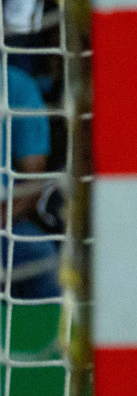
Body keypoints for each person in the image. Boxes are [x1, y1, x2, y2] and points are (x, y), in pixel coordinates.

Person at [0, 63, 57, 299]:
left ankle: (54, 336)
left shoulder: (15, 86)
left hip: (4, 226)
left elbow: (34, 180)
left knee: (42, 256)